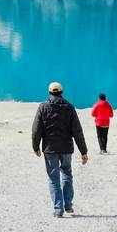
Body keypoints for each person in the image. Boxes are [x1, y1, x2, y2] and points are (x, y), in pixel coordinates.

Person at [31, 82, 88, 217]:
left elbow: (36, 129)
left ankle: (58, 209)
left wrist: (35, 146)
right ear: (62, 92)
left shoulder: (43, 107)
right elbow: (77, 131)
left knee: (53, 178)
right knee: (67, 173)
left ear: (49, 92)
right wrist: (83, 151)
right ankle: (68, 205)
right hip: (66, 148)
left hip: (50, 149)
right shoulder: (69, 107)